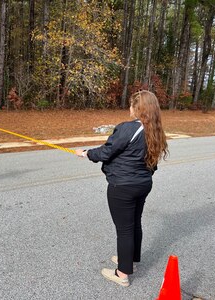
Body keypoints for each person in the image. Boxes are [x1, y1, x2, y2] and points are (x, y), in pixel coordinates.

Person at [75, 90, 168, 287]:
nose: (129, 109)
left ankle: (123, 273)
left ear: (137, 108)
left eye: (131, 105)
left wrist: (87, 153)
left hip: (123, 186)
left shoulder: (129, 128)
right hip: (143, 184)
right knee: (134, 223)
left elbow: (108, 151)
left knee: (125, 230)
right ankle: (130, 260)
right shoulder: (155, 129)